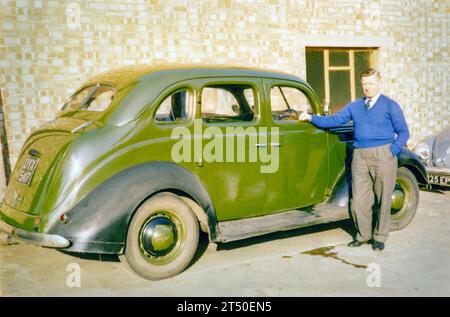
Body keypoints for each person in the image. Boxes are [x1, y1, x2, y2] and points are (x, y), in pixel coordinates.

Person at [299, 68, 410, 251]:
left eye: (371, 83)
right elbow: (334, 120)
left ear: (379, 82)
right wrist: (310, 117)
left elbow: (404, 132)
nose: (367, 87)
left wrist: (392, 150)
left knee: (384, 199)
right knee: (359, 200)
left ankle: (380, 237)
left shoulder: (390, 105)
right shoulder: (355, 106)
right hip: (360, 155)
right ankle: (363, 235)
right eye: (365, 84)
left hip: (383, 154)